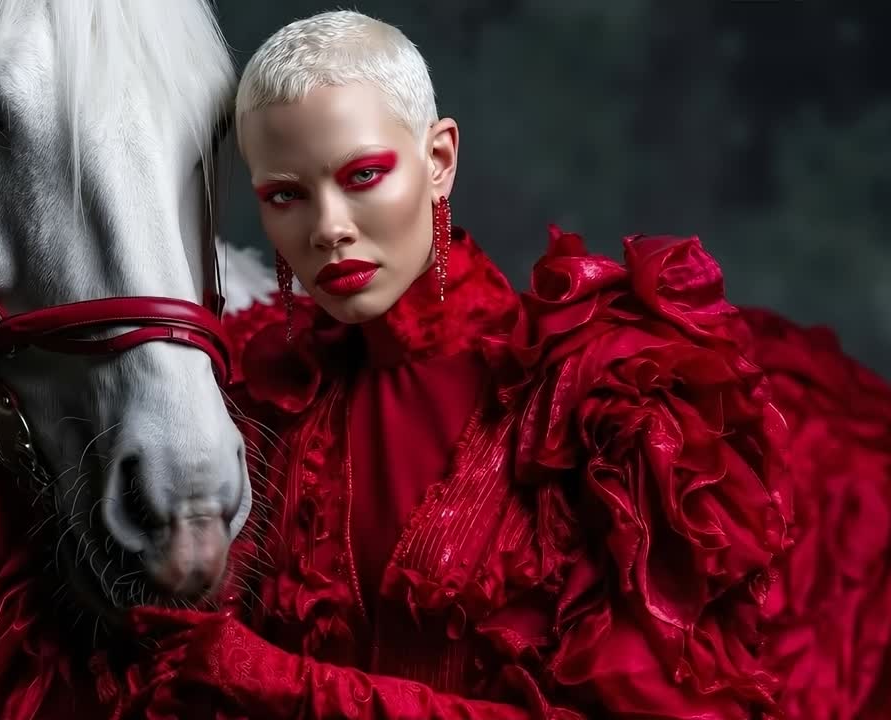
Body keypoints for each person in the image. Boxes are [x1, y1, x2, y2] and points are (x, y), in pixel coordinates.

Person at [121, 10, 891, 720]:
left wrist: (283, 682)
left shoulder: (602, 402)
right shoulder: (259, 400)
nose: (329, 228)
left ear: (440, 160)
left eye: (362, 176)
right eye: (286, 195)